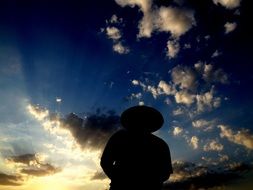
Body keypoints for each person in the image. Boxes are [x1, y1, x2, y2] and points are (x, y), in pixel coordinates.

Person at [100, 105, 173, 190]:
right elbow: (105, 162)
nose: (141, 122)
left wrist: (119, 180)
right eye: (139, 119)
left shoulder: (160, 144)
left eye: (144, 119)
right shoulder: (161, 144)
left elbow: (165, 173)